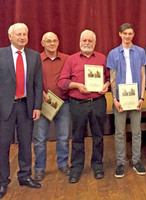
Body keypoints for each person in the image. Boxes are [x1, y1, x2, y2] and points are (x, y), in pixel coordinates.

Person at [57, 30, 110, 183]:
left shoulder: (102, 58)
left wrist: (106, 85)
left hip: (98, 102)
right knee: (78, 137)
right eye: (84, 40)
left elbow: (108, 78)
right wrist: (77, 85)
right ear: (80, 42)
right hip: (77, 104)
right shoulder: (71, 59)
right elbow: (62, 82)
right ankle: (77, 167)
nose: (87, 43)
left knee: (99, 136)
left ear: (94, 42)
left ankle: (97, 164)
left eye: (90, 41)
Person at [0, 23, 43, 199]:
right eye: (18, 34)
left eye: (25, 34)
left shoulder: (34, 56)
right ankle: (2, 182)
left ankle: (25, 176)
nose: (22, 37)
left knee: (26, 144)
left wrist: (37, 106)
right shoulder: (1, 54)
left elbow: (38, 84)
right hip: (5, 108)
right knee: (3, 146)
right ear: (10, 36)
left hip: (26, 106)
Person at [107, 23, 146, 178]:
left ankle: (137, 161)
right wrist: (115, 99)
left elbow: (143, 75)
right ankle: (120, 163)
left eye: (130, 33)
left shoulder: (140, 52)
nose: (127, 36)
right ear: (120, 34)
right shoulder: (113, 53)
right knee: (119, 132)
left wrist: (142, 97)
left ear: (133, 34)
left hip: (136, 98)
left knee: (136, 132)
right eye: (125, 33)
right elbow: (112, 77)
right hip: (120, 99)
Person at [33, 32, 70, 181]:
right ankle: (39, 168)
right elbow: (31, 79)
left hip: (63, 103)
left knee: (63, 137)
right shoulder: (36, 59)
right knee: (40, 138)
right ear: (42, 43)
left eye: (54, 40)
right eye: (48, 41)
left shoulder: (67, 59)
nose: (52, 43)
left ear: (58, 42)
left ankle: (63, 164)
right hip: (43, 104)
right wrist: (39, 91)